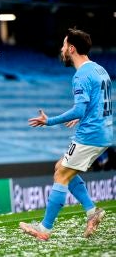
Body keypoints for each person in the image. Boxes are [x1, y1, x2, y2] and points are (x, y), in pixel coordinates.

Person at [20, 28, 113, 241]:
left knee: (61, 175)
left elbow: (80, 109)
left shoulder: (81, 75)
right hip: (104, 132)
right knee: (61, 167)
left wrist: (49, 121)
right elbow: (96, 103)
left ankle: (44, 228)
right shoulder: (100, 70)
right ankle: (92, 212)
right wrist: (83, 116)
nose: (61, 50)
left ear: (71, 48)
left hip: (90, 135)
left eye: (64, 45)